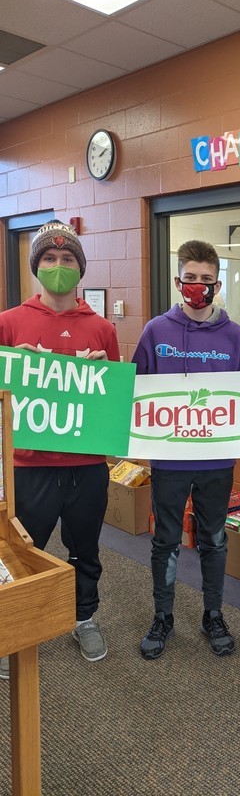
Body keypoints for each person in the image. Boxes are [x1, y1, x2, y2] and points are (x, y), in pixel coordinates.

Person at [0, 220, 120, 668]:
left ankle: (83, 616)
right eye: (49, 258)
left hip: (86, 465)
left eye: (67, 258)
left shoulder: (101, 328)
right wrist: (11, 368)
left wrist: (103, 372)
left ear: (80, 267)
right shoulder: (9, 323)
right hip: (29, 464)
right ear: (36, 266)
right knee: (20, 549)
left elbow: (112, 401)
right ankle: (11, 626)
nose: (58, 266)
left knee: (85, 547)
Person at [132, 240, 240, 661]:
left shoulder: (236, 337)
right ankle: (163, 616)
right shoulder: (156, 331)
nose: (197, 286)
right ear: (177, 281)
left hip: (217, 461)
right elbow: (136, 391)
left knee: (214, 539)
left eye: (206, 279)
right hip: (169, 459)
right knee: (165, 540)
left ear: (217, 285)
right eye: (190, 278)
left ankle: (213, 614)